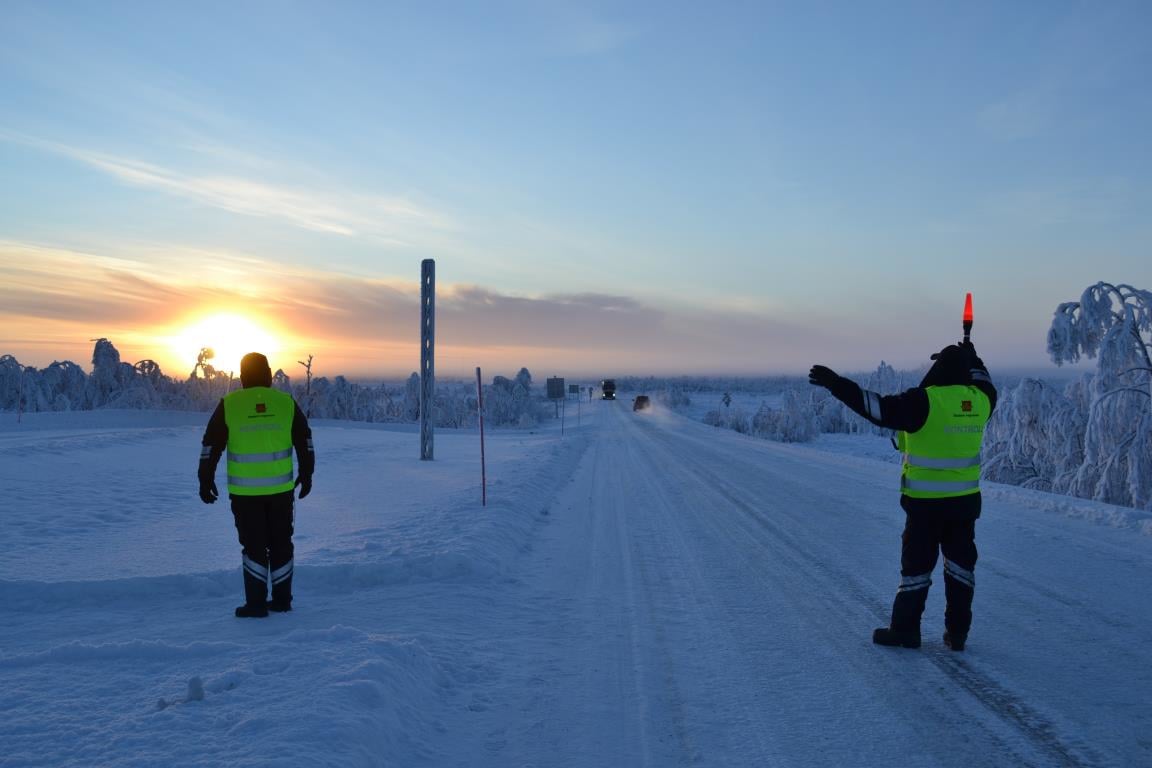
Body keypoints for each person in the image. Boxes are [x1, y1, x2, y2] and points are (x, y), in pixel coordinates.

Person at [809, 342, 996, 651]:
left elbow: (876, 408)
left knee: (916, 570)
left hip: (925, 508)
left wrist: (836, 384)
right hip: (964, 506)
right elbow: (986, 383)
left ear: (936, 370)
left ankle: (906, 630)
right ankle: (958, 634)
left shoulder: (924, 401)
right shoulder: (980, 402)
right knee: (961, 568)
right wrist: (973, 357)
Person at [198, 352, 315, 618]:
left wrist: (205, 479)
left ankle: (256, 604)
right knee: (281, 544)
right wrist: (307, 474)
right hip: (281, 491)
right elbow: (305, 441)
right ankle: (282, 601)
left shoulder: (229, 404)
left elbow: (210, 446)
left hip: (244, 493)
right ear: (269, 374)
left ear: (242, 377)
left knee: (254, 546)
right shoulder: (285, 403)